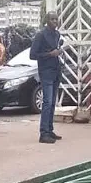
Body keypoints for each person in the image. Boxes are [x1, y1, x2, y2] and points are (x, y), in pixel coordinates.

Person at [30, 12, 63, 144]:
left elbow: (56, 49)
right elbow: (32, 55)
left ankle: (49, 130)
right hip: (46, 72)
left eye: (56, 19)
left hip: (56, 70)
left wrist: (58, 52)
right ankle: (43, 133)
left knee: (52, 102)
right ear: (47, 20)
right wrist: (50, 54)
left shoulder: (57, 34)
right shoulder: (40, 35)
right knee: (47, 102)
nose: (55, 21)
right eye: (52, 19)